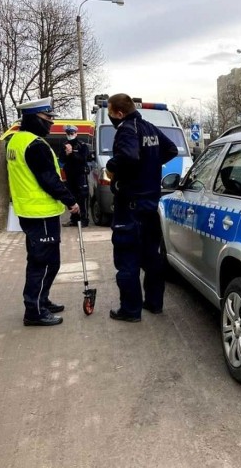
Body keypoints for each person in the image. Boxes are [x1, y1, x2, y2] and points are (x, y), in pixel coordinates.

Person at [6, 97, 80, 326]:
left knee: (48, 261)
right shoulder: (35, 145)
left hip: (30, 211)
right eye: (47, 119)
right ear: (33, 118)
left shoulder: (15, 141)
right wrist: (71, 202)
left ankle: (42, 300)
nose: (50, 124)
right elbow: (48, 179)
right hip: (40, 213)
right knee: (43, 262)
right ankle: (34, 311)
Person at [104, 93, 178, 322]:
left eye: (110, 113)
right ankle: (154, 304)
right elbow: (171, 150)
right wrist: (151, 165)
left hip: (130, 208)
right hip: (150, 206)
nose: (110, 118)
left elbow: (127, 155)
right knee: (151, 258)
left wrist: (111, 166)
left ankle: (130, 310)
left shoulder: (126, 129)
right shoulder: (149, 128)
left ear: (119, 112)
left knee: (127, 260)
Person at [59, 125, 90, 227]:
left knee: (82, 196)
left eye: (71, 133)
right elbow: (62, 160)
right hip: (70, 175)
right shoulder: (64, 145)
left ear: (76, 133)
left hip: (80, 175)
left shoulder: (82, 145)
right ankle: (74, 219)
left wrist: (72, 153)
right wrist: (66, 154)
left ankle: (84, 219)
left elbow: (83, 159)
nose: (70, 135)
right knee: (71, 197)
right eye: (68, 133)